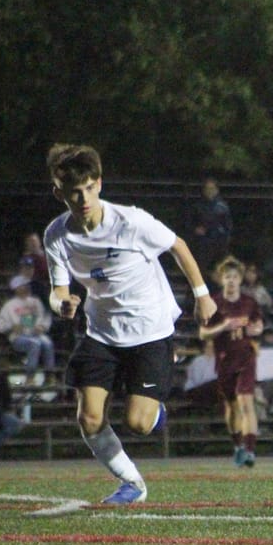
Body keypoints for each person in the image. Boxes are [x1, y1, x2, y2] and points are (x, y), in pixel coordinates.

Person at [43, 143, 217, 504]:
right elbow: (57, 289)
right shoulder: (56, 235)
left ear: (100, 184)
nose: (83, 197)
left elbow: (178, 246)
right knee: (89, 418)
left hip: (149, 330)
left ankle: (155, 409)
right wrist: (63, 303)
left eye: (89, 187)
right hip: (102, 332)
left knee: (138, 423)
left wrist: (202, 295)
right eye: (74, 191)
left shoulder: (131, 221)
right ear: (59, 192)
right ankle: (132, 484)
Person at [199, 256, 264, 467]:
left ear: (241, 279)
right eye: (228, 276)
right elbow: (203, 334)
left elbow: (258, 325)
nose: (232, 280)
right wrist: (223, 327)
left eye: (235, 277)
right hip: (225, 359)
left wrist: (256, 329)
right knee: (232, 407)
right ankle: (237, 446)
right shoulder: (214, 303)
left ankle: (250, 451)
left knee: (246, 401)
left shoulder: (249, 302)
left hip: (246, 357)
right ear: (221, 279)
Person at [0, 274, 56, 384]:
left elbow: (46, 316)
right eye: (22, 286)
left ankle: (49, 375)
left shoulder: (35, 301)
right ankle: (30, 377)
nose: (25, 288)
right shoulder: (9, 305)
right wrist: (11, 327)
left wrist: (43, 326)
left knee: (48, 343)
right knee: (34, 344)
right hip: (18, 337)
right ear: (16, 288)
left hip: (36, 333)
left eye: (26, 286)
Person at [184, 177, 233, 276]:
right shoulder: (197, 206)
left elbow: (228, 226)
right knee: (201, 270)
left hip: (218, 242)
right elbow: (189, 223)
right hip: (202, 244)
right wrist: (195, 229)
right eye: (207, 189)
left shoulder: (223, 207)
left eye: (212, 189)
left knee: (219, 269)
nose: (210, 191)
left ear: (217, 190)